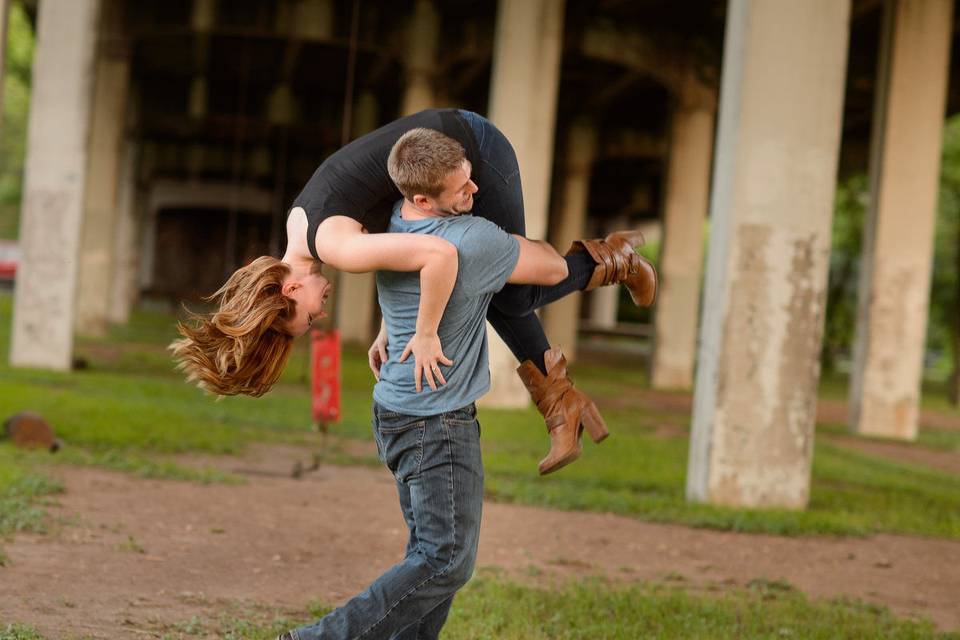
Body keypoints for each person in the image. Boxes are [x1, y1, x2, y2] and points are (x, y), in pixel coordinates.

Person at [170, 109, 656, 474]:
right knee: (500, 294)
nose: (319, 315)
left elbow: (435, 256)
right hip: (443, 146)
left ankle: (615, 262)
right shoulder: (304, 230)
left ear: (290, 287)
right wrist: (389, 325)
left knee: (511, 295)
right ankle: (561, 402)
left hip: (470, 152)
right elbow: (394, 236)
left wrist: (423, 334)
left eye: (306, 317)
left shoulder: (336, 247)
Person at [276, 128, 611, 640]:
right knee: (447, 561)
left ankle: (558, 394)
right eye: (464, 189)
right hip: (438, 423)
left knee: (430, 557)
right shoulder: (471, 241)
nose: (477, 194)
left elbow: (408, 263)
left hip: (394, 412)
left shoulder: (390, 226)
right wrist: (424, 332)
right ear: (423, 196)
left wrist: (397, 324)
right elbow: (549, 266)